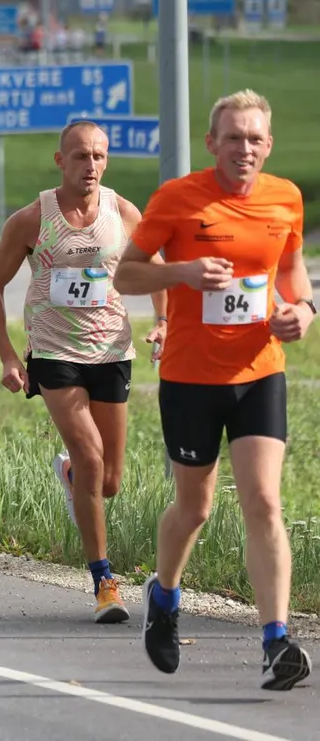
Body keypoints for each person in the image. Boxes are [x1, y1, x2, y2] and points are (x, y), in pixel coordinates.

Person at [113, 90, 313, 690]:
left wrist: (303, 310)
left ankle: (275, 641)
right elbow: (125, 272)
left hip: (259, 371)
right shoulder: (178, 199)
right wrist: (181, 273)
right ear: (212, 143)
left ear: (268, 145)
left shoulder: (286, 199)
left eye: (255, 139)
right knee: (195, 507)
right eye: (233, 138)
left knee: (264, 502)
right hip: (190, 377)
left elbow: (295, 277)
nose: (244, 149)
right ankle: (166, 594)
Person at [0, 121, 166, 623]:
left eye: (100, 156)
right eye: (81, 156)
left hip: (112, 350)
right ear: (60, 161)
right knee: (90, 454)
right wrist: (8, 357)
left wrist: (164, 321)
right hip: (54, 351)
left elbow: (152, 267)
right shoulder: (31, 219)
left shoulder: (122, 212)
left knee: (108, 481)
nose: (91, 166)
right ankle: (105, 581)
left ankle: (68, 473)